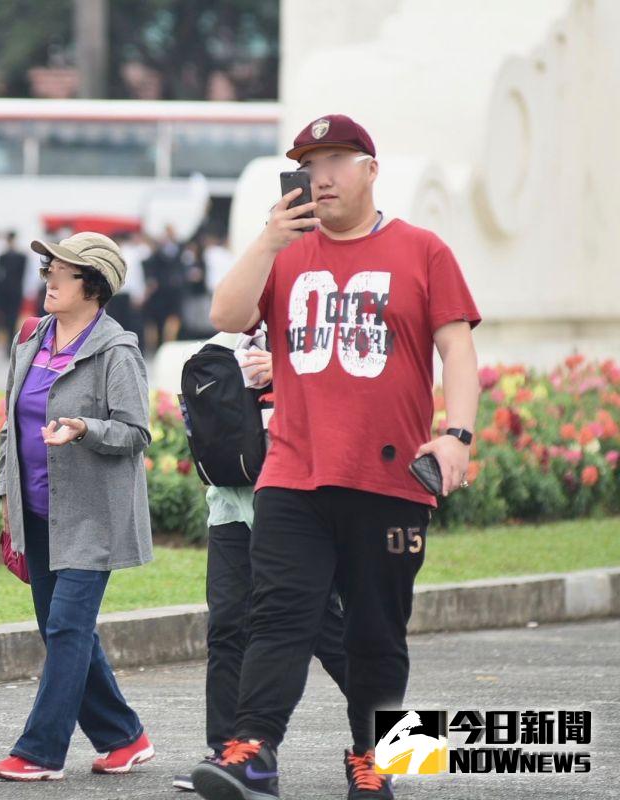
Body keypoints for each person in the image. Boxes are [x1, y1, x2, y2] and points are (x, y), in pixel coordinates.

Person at [191, 115, 481, 800]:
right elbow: (227, 315)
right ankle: (253, 752)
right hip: (293, 473)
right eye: (309, 162)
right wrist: (267, 238)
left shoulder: (423, 250)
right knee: (278, 615)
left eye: (336, 160)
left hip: (390, 479)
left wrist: (457, 436)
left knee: (377, 633)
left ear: (369, 170)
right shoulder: (285, 254)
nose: (320, 175)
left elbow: (458, 349)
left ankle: (373, 757)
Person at [0, 232, 155, 783]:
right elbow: (11, 426)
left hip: (93, 517)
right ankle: (124, 737)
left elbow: (136, 432)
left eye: (63, 271)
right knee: (63, 630)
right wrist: (7, 497)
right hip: (37, 513)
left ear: (95, 285)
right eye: (48, 267)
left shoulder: (117, 351)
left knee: (66, 628)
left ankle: (40, 751)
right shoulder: (32, 339)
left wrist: (86, 429)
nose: (49, 279)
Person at [171, 333, 348, 793]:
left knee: (335, 632)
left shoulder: (318, 332)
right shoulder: (226, 341)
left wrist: (288, 370)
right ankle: (227, 755)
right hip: (230, 504)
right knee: (227, 626)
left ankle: (408, 745)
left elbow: (357, 395)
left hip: (300, 503)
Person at [146, 225, 186, 348]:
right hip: (161, 292)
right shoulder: (158, 252)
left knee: (174, 318)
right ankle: (160, 344)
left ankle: (171, 342)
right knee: (159, 320)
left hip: (175, 291)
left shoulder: (180, 249)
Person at [111, 230, 147, 351]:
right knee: (115, 323)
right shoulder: (112, 254)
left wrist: (139, 294)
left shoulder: (131, 253)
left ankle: (135, 347)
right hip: (115, 293)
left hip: (127, 293)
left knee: (131, 323)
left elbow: (136, 275)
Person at [0, 231, 28, 355]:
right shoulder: (21, 257)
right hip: (14, 291)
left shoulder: (4, 257)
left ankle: (9, 343)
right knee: (11, 318)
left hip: (6, 291)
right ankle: (10, 343)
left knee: (9, 318)